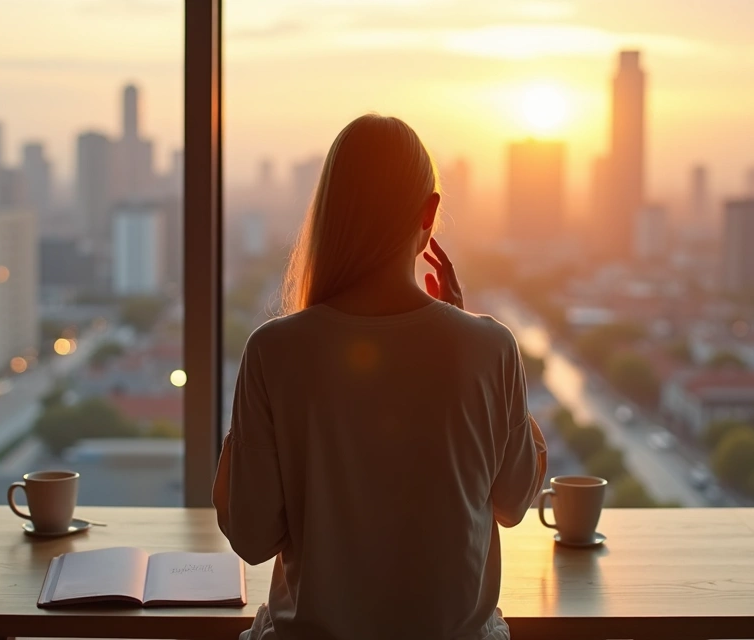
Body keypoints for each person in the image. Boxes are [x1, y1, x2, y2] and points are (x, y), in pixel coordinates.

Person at [213, 114, 548, 639]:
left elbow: (253, 539)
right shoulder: (490, 347)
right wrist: (471, 343)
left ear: (327, 214)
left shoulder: (273, 352)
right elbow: (512, 501)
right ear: (430, 211)